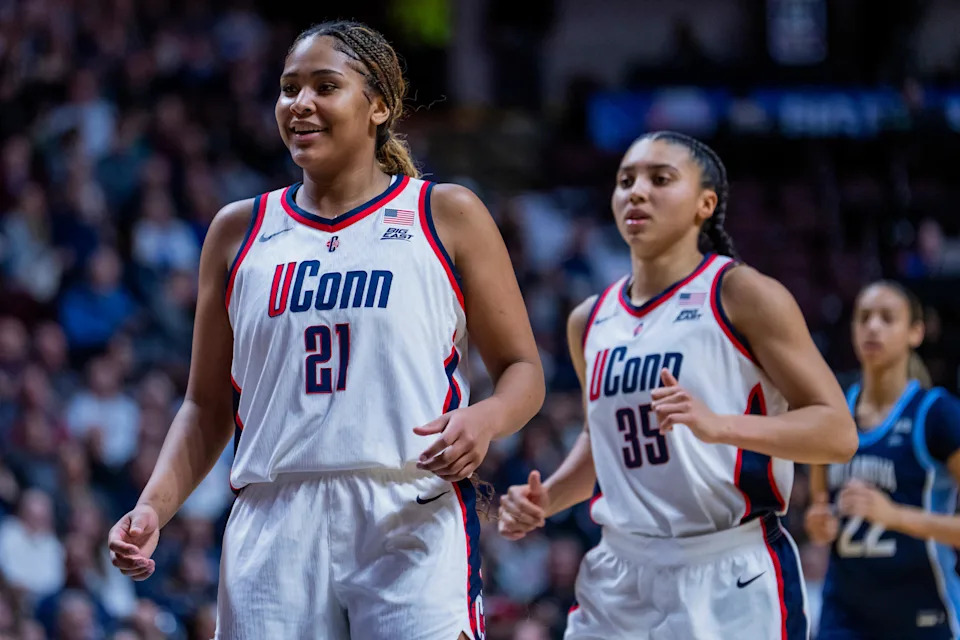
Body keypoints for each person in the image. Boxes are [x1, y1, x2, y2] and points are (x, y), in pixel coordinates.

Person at [107, 20, 544, 640]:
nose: (299, 104)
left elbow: (523, 372)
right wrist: (153, 505)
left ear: (379, 106)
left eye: (324, 86)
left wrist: (486, 419)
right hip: (274, 519)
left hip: (406, 508)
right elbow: (206, 406)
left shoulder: (445, 213)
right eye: (288, 89)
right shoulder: (239, 231)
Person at [498, 130, 857, 639]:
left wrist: (718, 426)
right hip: (619, 569)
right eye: (625, 181)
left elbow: (837, 432)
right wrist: (549, 498)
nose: (636, 192)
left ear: (705, 204)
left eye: (659, 179)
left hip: (728, 567)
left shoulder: (742, 294)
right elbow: (605, 443)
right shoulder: (589, 319)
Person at [805, 281, 960, 639]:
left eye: (887, 318)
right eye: (864, 318)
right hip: (845, 616)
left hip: (924, 613)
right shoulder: (833, 411)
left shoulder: (938, 414)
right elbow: (819, 511)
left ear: (916, 332)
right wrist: (818, 524)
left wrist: (894, 516)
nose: (873, 327)